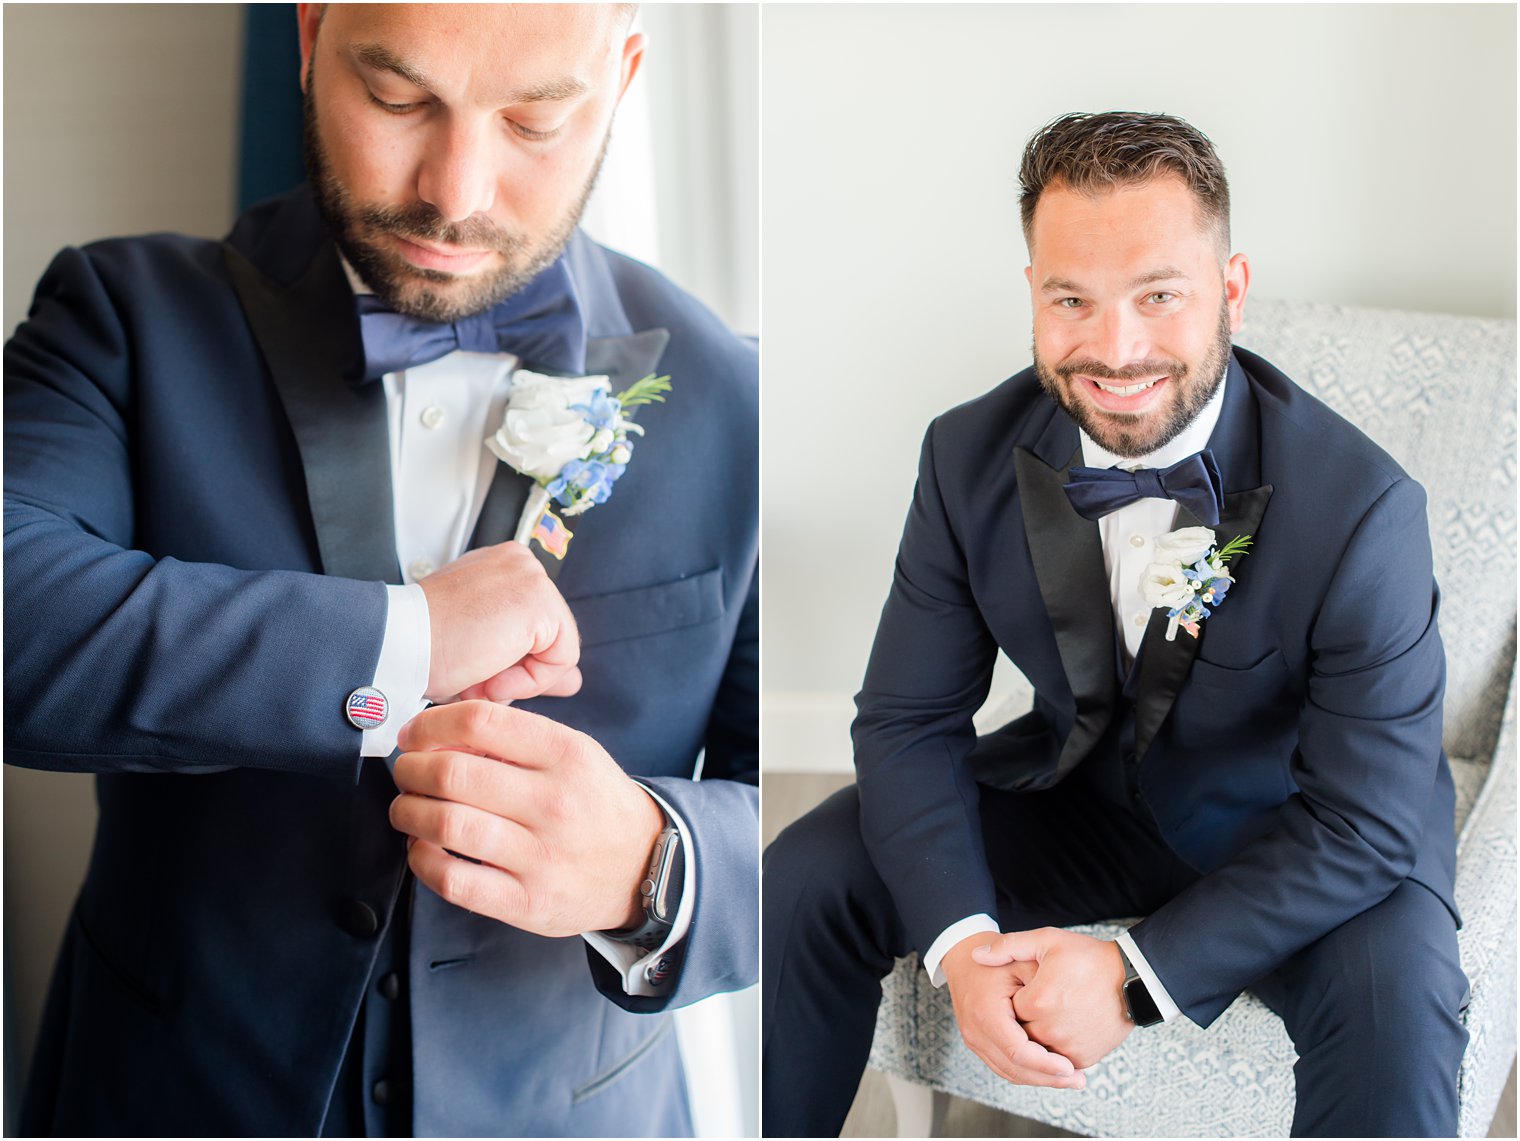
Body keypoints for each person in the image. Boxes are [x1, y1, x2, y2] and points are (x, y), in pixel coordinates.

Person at [5, 4, 757, 1136]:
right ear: (308, 36)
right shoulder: (119, 317)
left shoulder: (736, 399)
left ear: (624, 74)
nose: (454, 191)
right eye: (399, 98)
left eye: (534, 119)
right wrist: (407, 641)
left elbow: (840, 819)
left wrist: (654, 865)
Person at [762, 111, 1465, 1138]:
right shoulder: (965, 458)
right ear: (1032, 297)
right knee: (803, 874)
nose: (1113, 347)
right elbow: (906, 721)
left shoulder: (1362, 510)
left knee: (1394, 999)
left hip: (1302, 831)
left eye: (1157, 295)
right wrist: (958, 943)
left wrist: (1131, 977)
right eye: (1071, 301)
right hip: (1084, 796)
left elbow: (1364, 822)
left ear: (1229, 289)